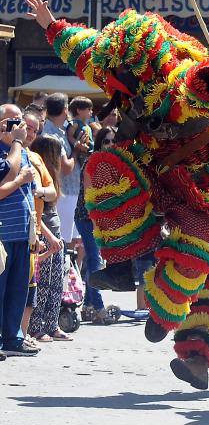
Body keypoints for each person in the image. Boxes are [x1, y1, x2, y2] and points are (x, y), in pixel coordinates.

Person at [25, 0, 209, 387]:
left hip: (203, 189)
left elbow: (202, 88)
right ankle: (127, 271)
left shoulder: (177, 78)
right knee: (104, 168)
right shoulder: (114, 67)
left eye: (122, 73)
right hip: (155, 172)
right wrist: (51, 23)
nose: (114, 80)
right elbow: (81, 49)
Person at [0, 117, 38, 356]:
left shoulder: (21, 151)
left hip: (22, 232)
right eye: (11, 121)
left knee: (17, 289)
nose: (17, 126)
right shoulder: (12, 151)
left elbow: (31, 192)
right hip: (2, 233)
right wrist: (20, 179)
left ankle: (13, 337)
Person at [27, 135, 71, 341]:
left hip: (56, 234)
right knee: (41, 284)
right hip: (45, 235)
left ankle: (52, 324)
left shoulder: (51, 177)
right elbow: (34, 213)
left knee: (55, 284)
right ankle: (36, 326)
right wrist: (50, 237)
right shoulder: (37, 173)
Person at [22, 114, 60, 345]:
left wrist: (38, 192)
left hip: (33, 230)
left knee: (30, 287)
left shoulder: (35, 157)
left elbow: (52, 192)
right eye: (27, 127)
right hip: (12, 229)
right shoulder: (10, 156)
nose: (30, 133)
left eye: (34, 130)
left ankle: (21, 335)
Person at [74, 127, 117, 325]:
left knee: (95, 259)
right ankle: (98, 307)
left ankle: (89, 305)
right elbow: (90, 195)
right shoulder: (93, 161)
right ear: (99, 142)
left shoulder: (113, 163)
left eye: (113, 141)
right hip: (87, 217)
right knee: (95, 260)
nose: (110, 145)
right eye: (106, 141)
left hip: (101, 218)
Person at [40, 92, 83, 247]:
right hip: (64, 194)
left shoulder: (58, 131)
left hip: (67, 193)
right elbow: (66, 168)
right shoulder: (52, 135)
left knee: (69, 241)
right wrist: (77, 149)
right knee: (64, 242)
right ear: (65, 109)